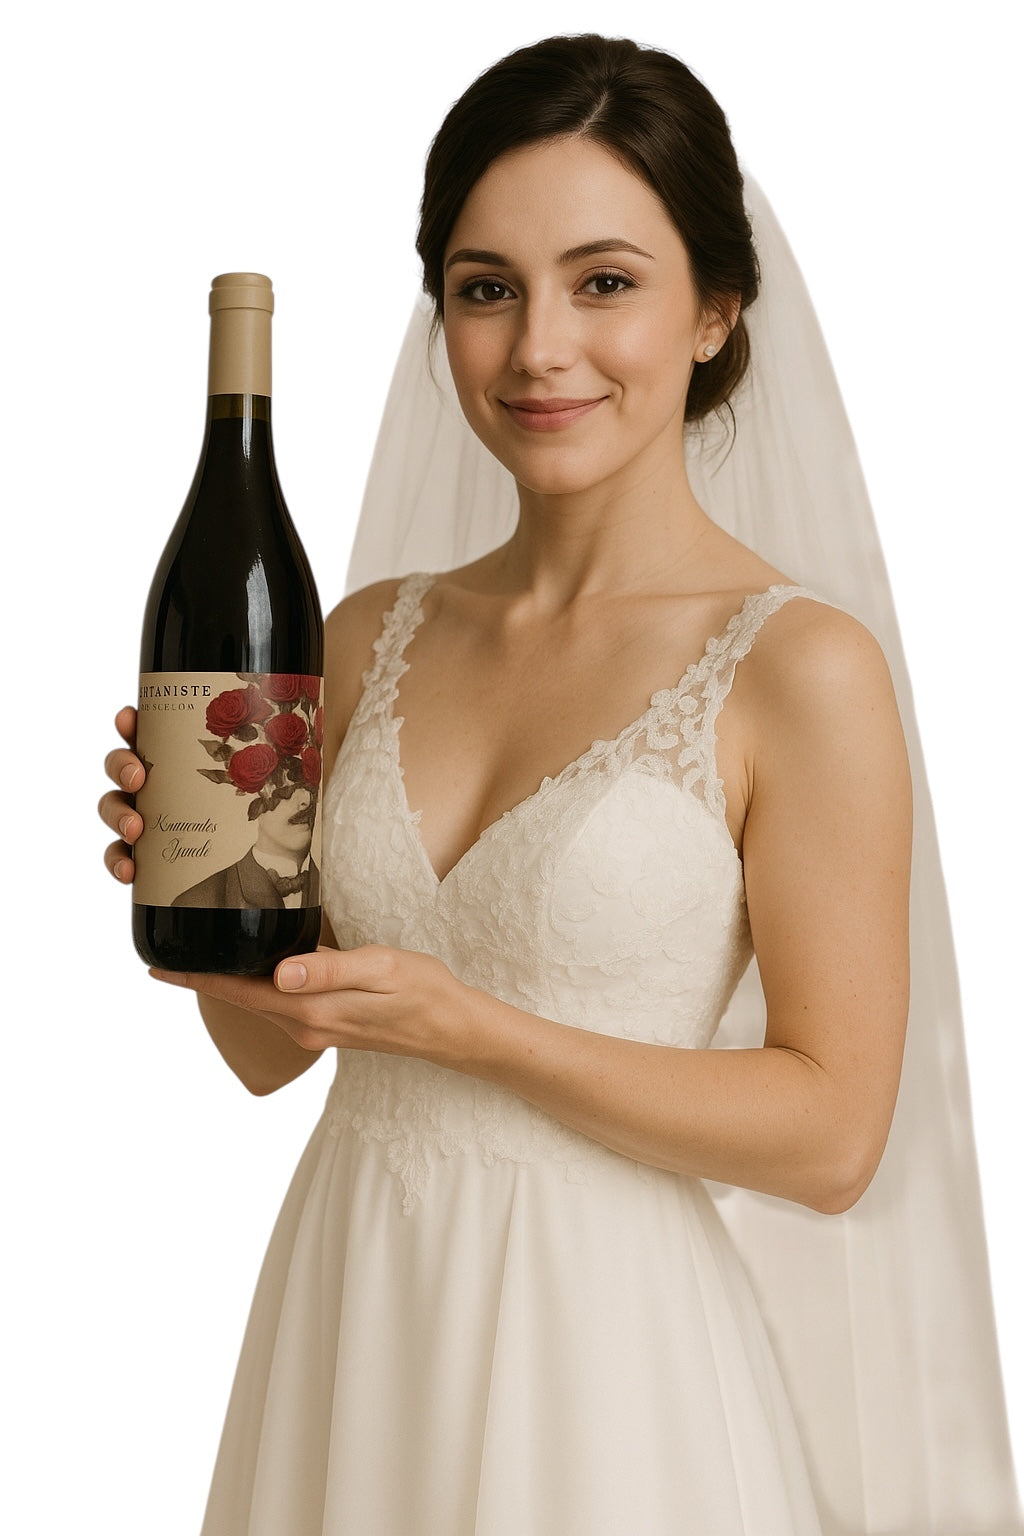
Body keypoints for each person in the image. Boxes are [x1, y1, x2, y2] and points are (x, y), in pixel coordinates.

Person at [99, 34, 1021, 1535]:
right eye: (487, 288)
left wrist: (477, 1031)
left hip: (608, 1360)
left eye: (604, 282)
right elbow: (269, 1054)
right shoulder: (364, 634)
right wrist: (198, 897)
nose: (538, 348)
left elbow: (835, 1138)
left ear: (715, 311)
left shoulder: (800, 670)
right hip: (357, 1306)